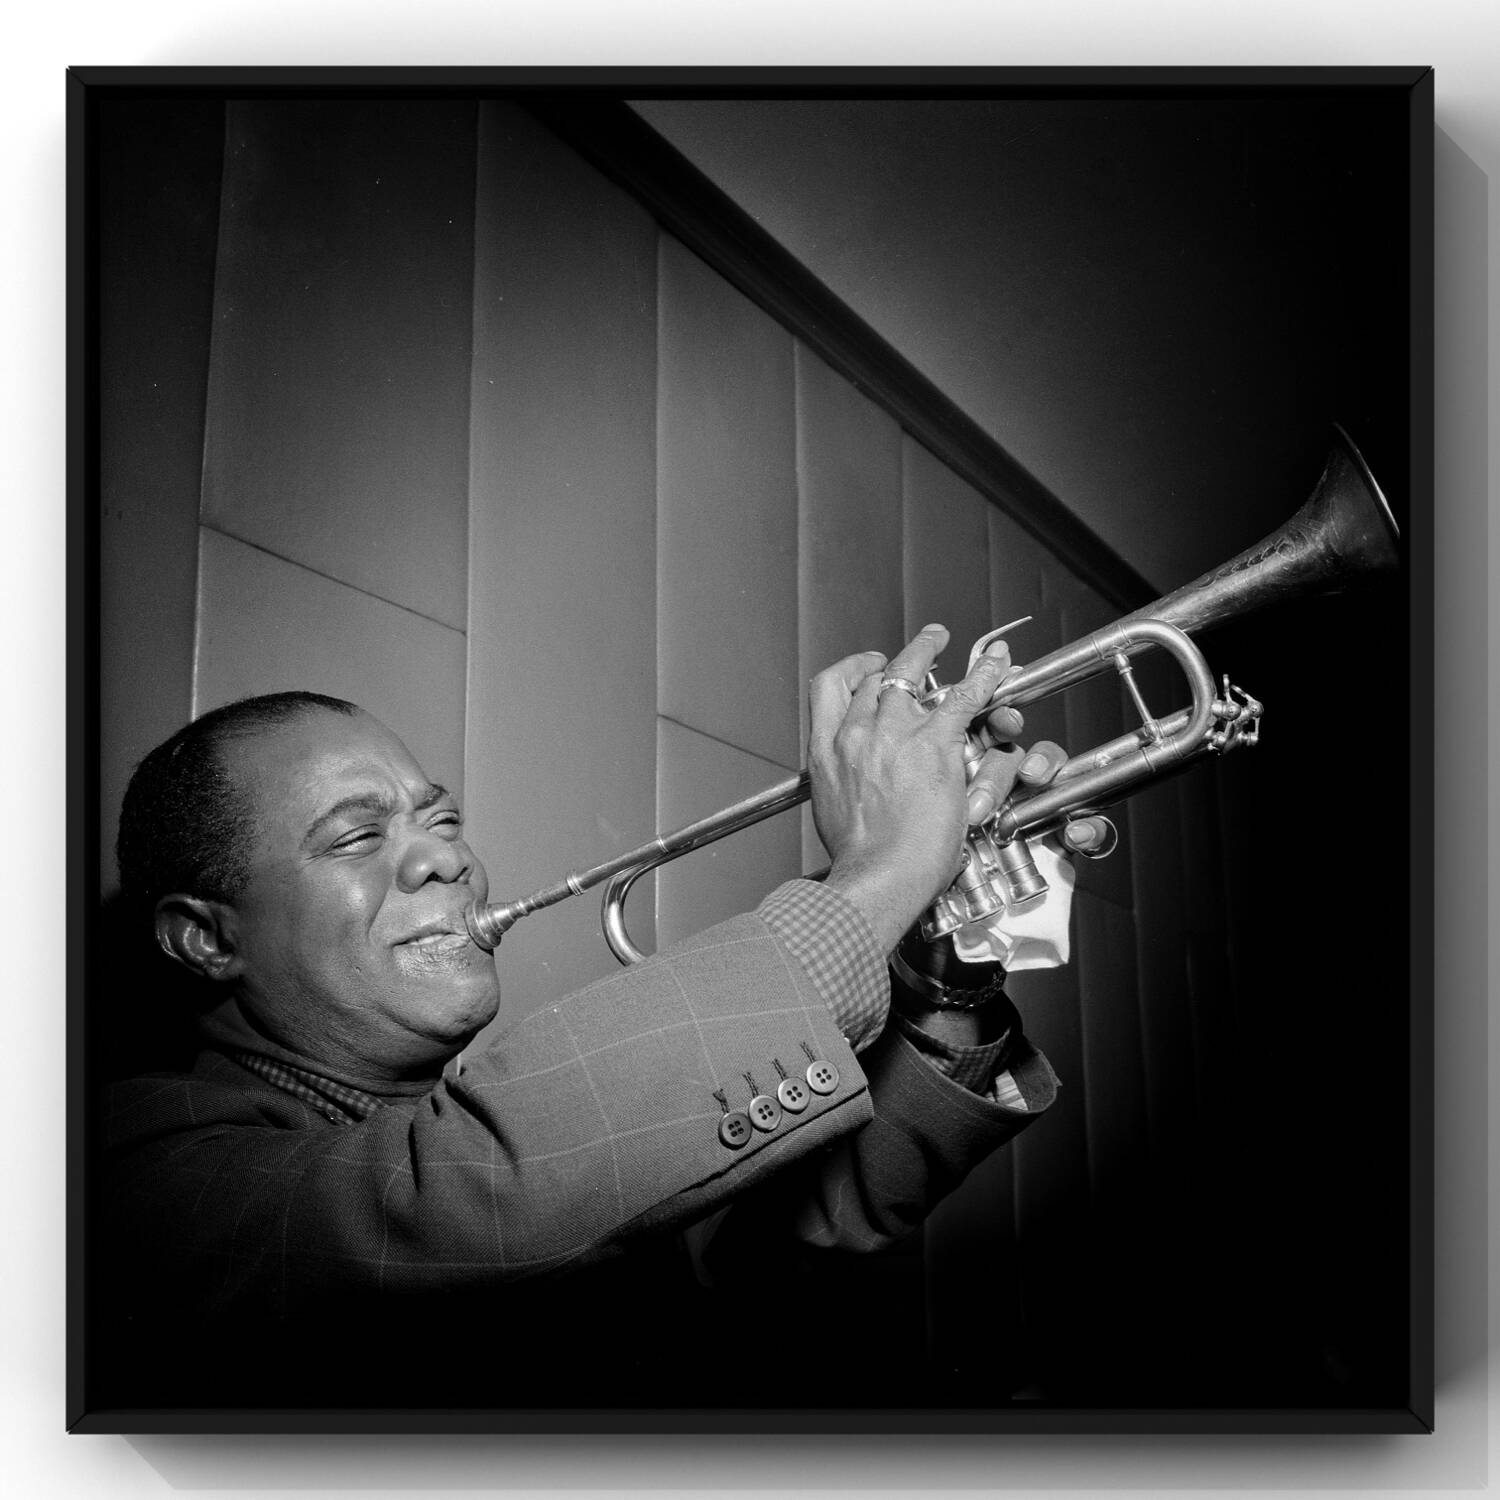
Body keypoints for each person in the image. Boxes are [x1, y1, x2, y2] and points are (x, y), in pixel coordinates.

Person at [96, 625, 1103, 1412]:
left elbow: (785, 1245)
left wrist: (940, 963)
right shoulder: (132, 1183)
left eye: (443, 820)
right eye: (358, 837)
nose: (448, 858)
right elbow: (458, 1194)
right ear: (206, 937)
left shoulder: (538, 1131)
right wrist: (879, 874)